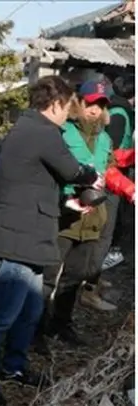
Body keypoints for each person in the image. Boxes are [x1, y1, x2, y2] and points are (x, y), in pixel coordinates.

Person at [0, 76, 102, 406]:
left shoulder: (25, 130)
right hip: (16, 239)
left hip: (28, 236)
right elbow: (73, 171)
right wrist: (91, 176)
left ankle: (14, 367)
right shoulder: (42, 132)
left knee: (29, 310)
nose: (68, 113)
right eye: (68, 106)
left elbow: (32, 183)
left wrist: (63, 205)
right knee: (2, 315)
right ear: (56, 103)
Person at [34, 80, 131, 352]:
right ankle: (36, 329)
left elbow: (109, 170)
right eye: (91, 103)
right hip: (64, 215)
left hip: (91, 218)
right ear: (79, 103)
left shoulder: (104, 138)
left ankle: (61, 324)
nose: (95, 110)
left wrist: (130, 190)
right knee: (48, 276)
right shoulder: (62, 132)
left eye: (101, 105)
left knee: (75, 276)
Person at [98, 75, 135, 272]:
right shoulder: (119, 115)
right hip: (113, 178)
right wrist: (132, 157)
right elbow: (109, 153)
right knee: (109, 226)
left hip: (118, 176)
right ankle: (94, 275)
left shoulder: (121, 110)